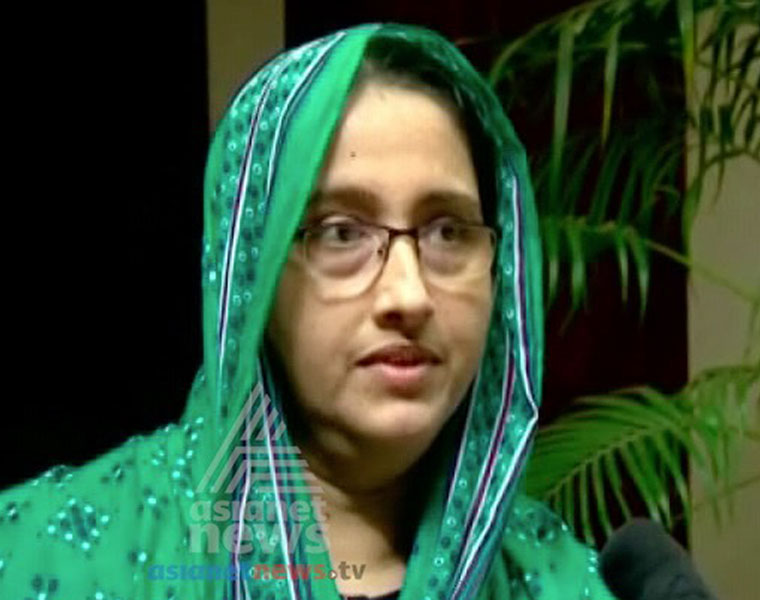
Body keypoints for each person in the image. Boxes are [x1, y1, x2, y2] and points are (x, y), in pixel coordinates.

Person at [0, 23, 616, 599]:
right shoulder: (44, 554)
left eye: (449, 232)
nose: (409, 295)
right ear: (252, 272)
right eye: (341, 233)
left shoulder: (565, 580)